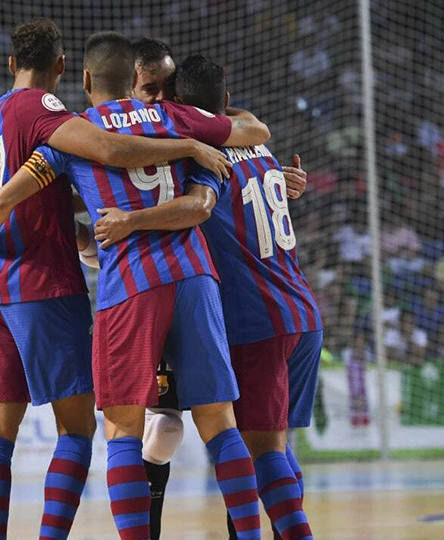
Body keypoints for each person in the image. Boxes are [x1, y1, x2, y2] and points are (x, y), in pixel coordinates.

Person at [0, 32, 270, 540]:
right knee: (219, 422)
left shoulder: (70, 133)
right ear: (136, 80)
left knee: (124, 431)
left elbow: (6, 199)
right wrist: (218, 131)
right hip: (195, 277)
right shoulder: (173, 116)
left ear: (84, 79)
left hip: (129, 284)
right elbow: (251, 133)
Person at [94, 55, 321, 540]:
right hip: (299, 312)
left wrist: (120, 225)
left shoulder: (185, 154)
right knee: (269, 447)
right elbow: (253, 146)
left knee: (243, 447)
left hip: (245, 316)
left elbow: (195, 208)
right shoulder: (253, 146)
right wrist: (283, 177)